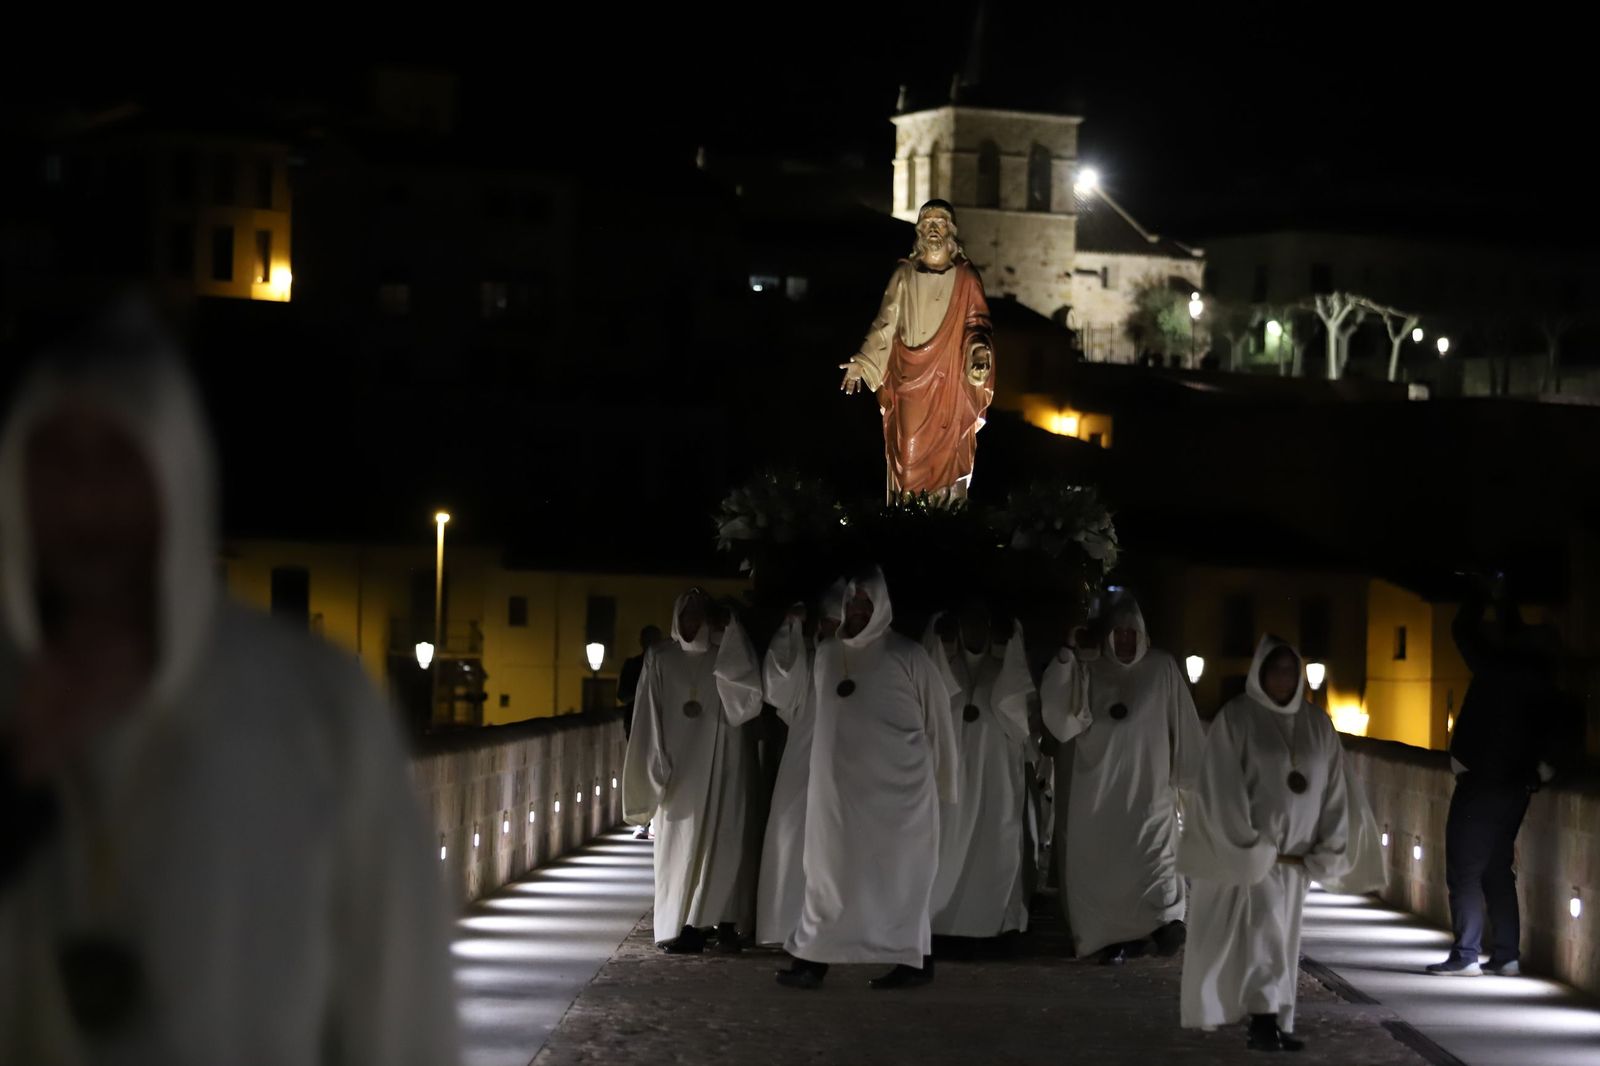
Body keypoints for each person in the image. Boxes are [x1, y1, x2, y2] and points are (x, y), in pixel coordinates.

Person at [0, 307, 458, 1063]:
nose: (84, 502)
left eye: (117, 459)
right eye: (55, 460)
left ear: (175, 474)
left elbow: (396, 1000)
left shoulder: (311, 703)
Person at [779, 568, 956, 990]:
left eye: (866, 605)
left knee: (899, 877)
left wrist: (946, 783)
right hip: (836, 794)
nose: (857, 612)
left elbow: (939, 723)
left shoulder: (909, 655)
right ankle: (813, 958)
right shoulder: (825, 654)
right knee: (827, 872)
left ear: (881, 609)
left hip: (898, 796)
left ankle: (913, 960)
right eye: (852, 604)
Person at [1179, 636, 1358, 1053]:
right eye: (1275, 670)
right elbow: (1222, 785)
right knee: (1265, 937)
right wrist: (1249, 844)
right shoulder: (1237, 719)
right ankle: (1263, 1022)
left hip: (1297, 860)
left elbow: (1334, 789)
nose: (1283, 678)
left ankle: (1276, 1017)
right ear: (1260, 673)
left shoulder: (1317, 724)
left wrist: (1328, 845)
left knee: (1284, 940)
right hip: (1258, 855)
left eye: (1290, 670)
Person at [1038, 593, 1202, 963]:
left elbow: (1183, 723)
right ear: (1108, 636)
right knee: (1102, 872)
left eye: (1132, 633)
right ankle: (1110, 939)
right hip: (1095, 795)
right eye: (1119, 634)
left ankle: (1165, 922)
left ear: (1142, 635)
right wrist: (1068, 654)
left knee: (1156, 861)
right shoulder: (1088, 667)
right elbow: (1062, 718)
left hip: (1150, 791)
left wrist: (1192, 777)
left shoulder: (1162, 669)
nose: (1125, 640)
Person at [1426, 574, 1560, 977]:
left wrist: (1483, 593)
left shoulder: (1497, 670)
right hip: (1515, 784)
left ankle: (1466, 953)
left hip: (1483, 781)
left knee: (1464, 868)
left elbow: (1462, 630)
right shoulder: (1540, 678)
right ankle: (1506, 955)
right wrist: (1505, 601)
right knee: (1497, 868)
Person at [622, 589, 763, 954]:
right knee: (680, 849)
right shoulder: (660, 657)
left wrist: (731, 634)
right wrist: (654, 765)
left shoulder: (726, 656)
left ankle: (725, 921)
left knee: (725, 841)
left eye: (697, 617)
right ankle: (683, 924)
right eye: (685, 616)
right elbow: (647, 715)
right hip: (679, 769)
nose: (690, 624)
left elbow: (745, 703)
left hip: (723, 765)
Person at [840, 200, 994, 502]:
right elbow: (885, 322)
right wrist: (863, 361)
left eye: (940, 222)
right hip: (909, 379)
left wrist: (977, 351)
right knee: (907, 454)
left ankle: (943, 525)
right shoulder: (905, 274)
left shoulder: (966, 277)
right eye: (928, 222)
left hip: (949, 379)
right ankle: (906, 527)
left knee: (949, 453)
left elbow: (978, 323)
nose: (934, 228)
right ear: (920, 229)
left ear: (951, 229)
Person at [925, 603, 1035, 939]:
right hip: (950, 779)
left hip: (995, 776)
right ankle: (939, 921)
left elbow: (1019, 721)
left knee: (996, 845)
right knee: (945, 846)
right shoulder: (944, 669)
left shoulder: (1003, 674)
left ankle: (992, 923)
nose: (974, 635)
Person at [755, 582, 844, 949]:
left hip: (845, 766)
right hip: (804, 763)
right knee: (792, 838)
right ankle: (786, 923)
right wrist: (790, 631)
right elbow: (780, 688)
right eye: (826, 624)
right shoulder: (811, 660)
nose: (831, 631)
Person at [617, 624, 662, 841]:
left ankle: (655, 820)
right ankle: (644, 821)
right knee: (642, 769)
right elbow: (623, 694)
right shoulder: (634, 665)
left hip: (658, 724)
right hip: (635, 724)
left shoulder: (665, 663)